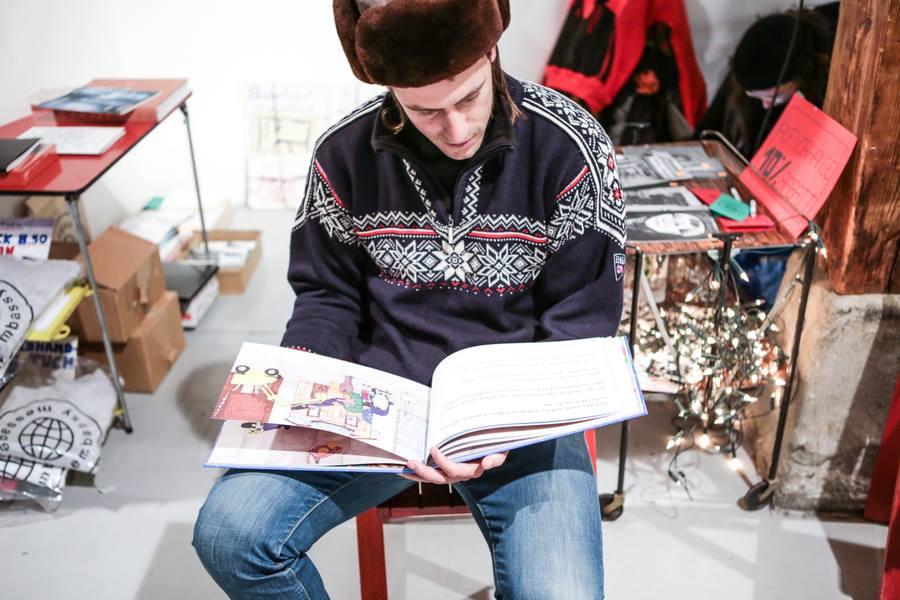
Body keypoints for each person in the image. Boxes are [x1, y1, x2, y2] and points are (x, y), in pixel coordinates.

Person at [192, 1, 625, 598]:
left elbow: (581, 325)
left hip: (520, 421)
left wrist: (498, 429)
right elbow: (326, 295)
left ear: (492, 51)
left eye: (468, 97)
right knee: (230, 535)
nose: (456, 130)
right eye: (424, 109)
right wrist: (314, 392)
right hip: (379, 415)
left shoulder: (569, 147)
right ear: (389, 88)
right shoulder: (342, 154)